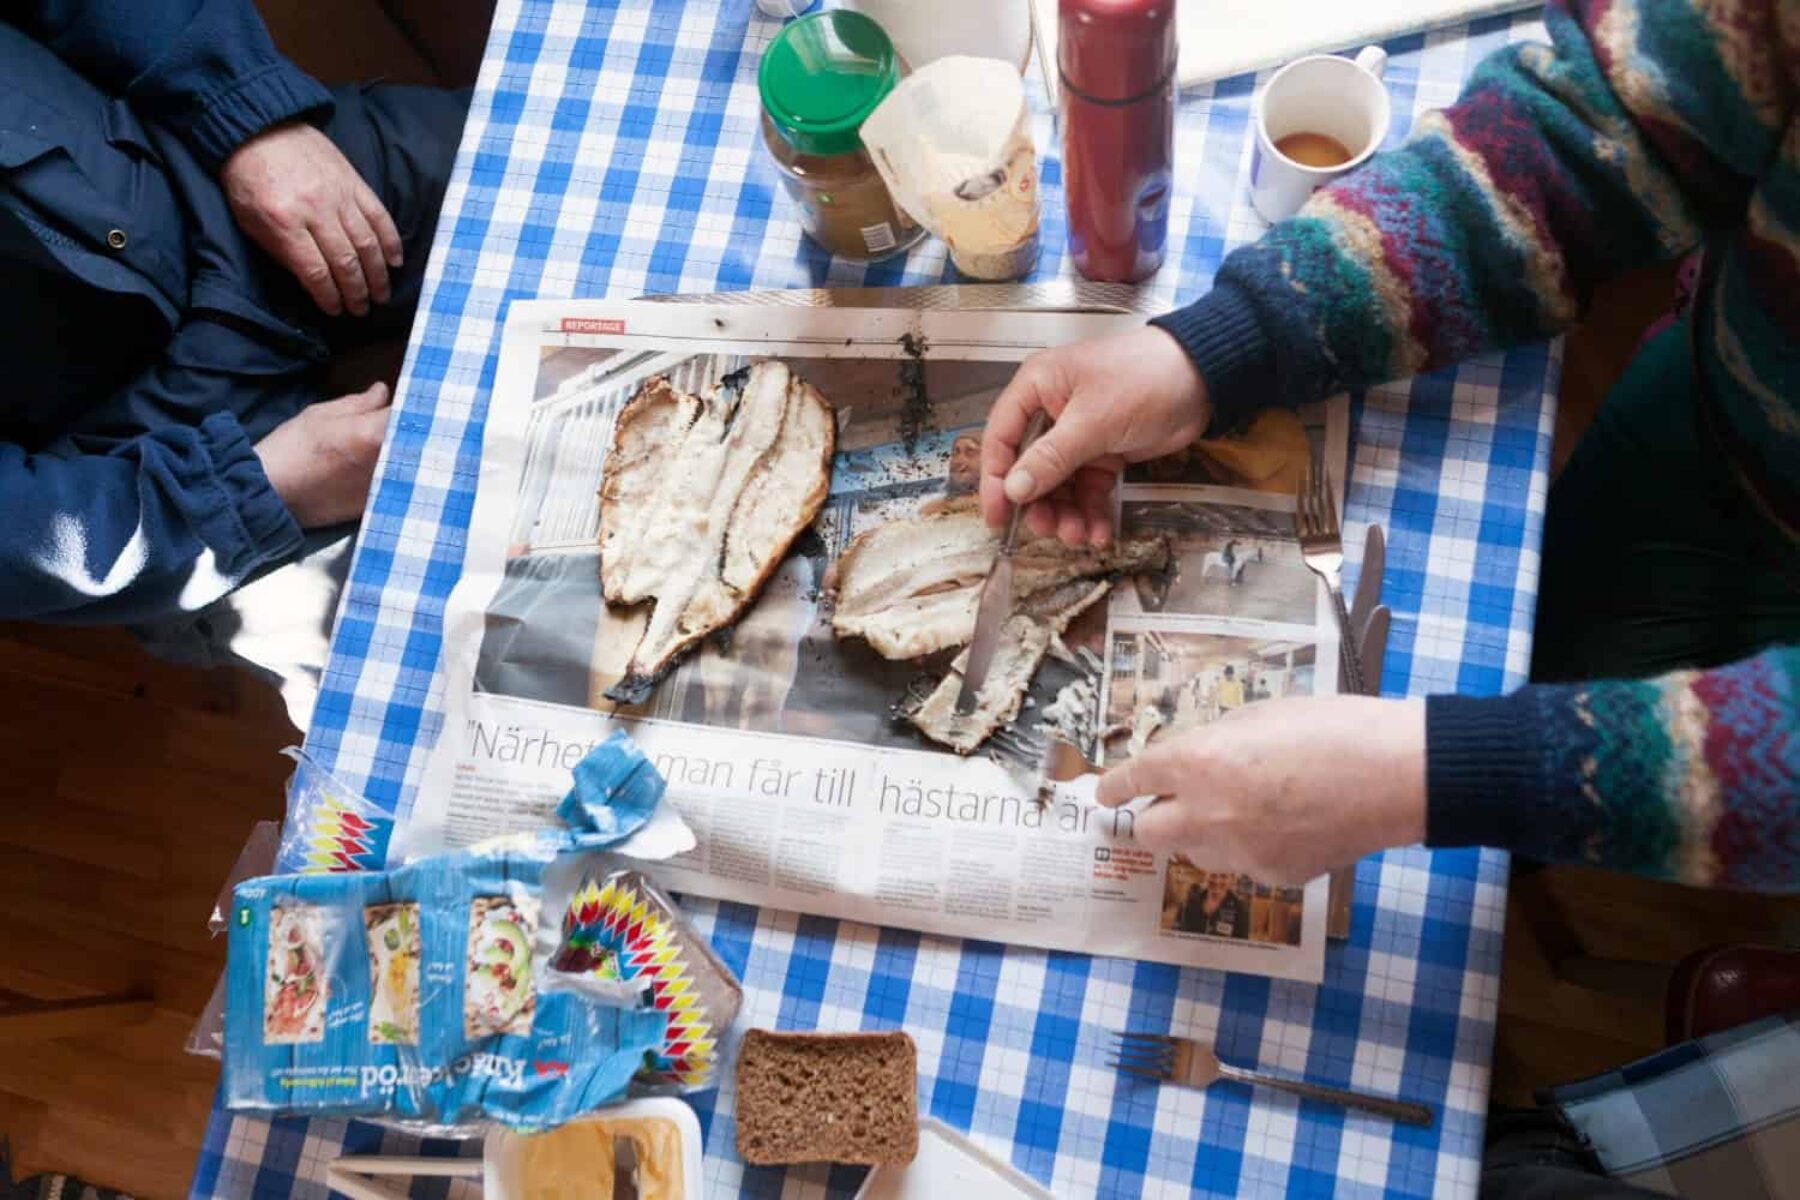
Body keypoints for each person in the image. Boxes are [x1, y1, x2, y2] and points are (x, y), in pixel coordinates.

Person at [979, 0, 1798, 896]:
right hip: (1721, 404)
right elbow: (1598, 131)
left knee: (1538, 821)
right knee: (1559, 636)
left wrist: (1442, 779)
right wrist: (1218, 348)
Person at [2, 1, 469, 623]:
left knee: (609, 158)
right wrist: (257, 494)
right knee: (487, 627)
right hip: (145, 464)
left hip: (201, 169)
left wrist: (246, 116)